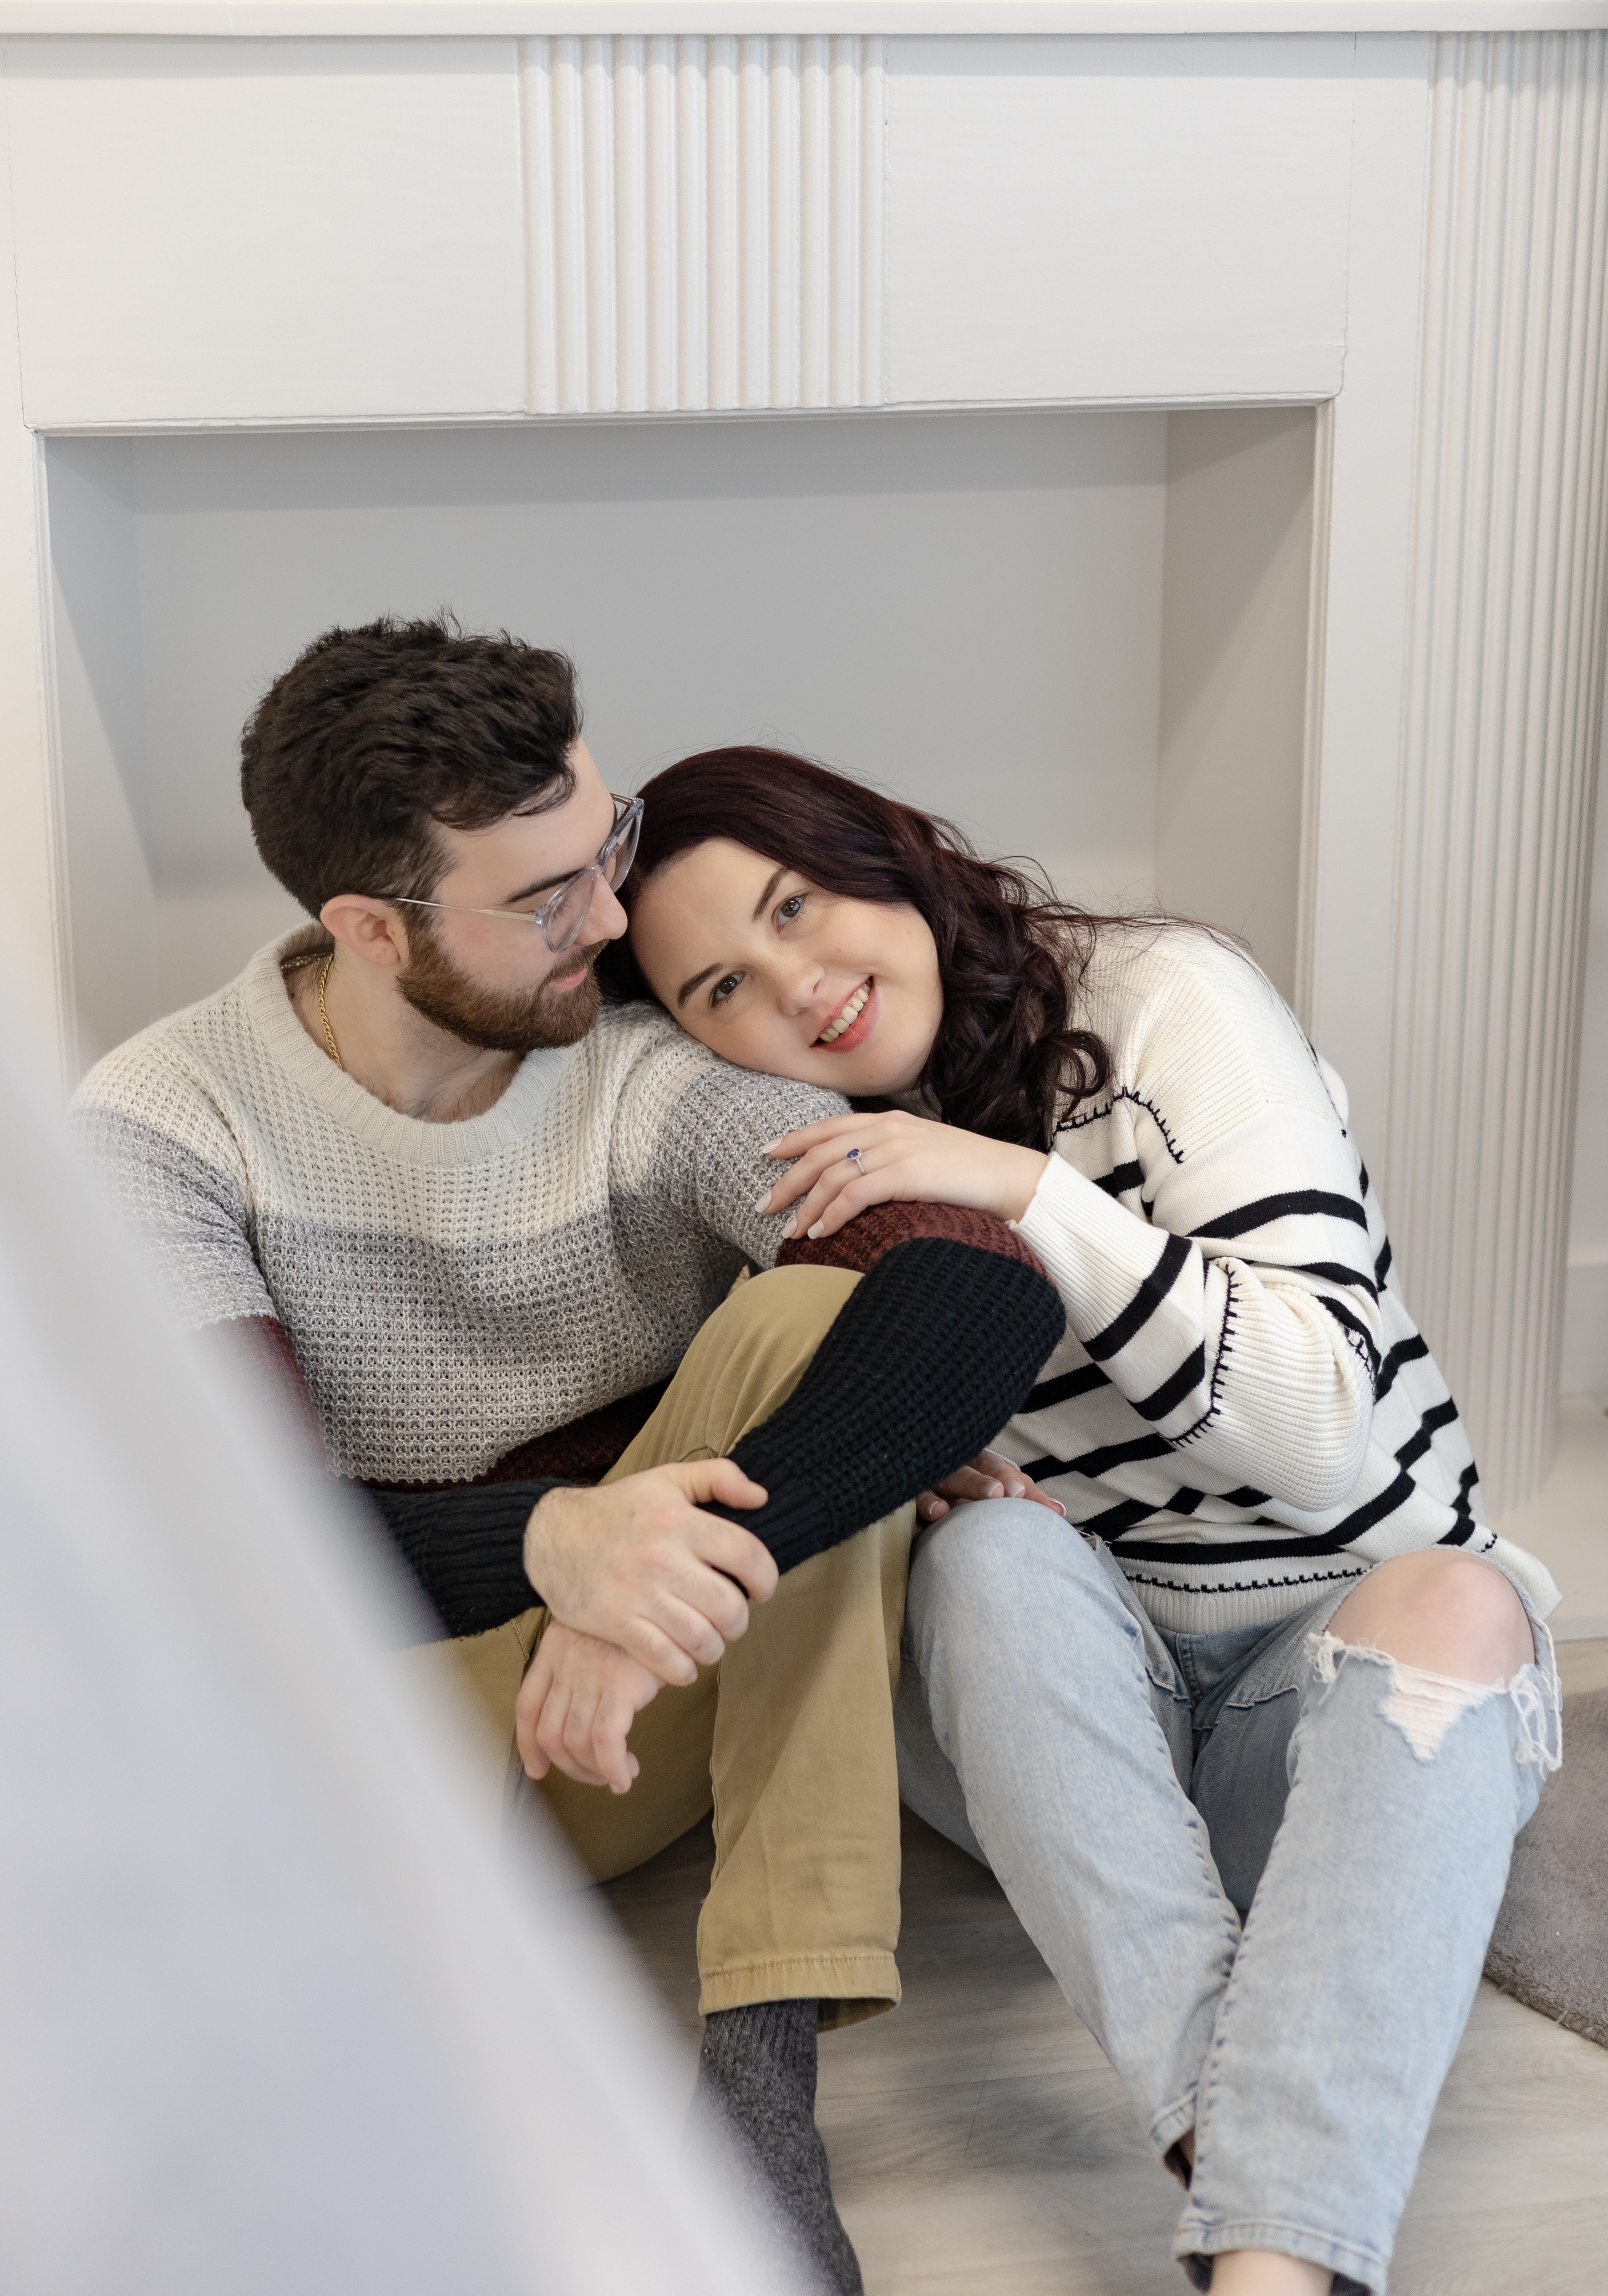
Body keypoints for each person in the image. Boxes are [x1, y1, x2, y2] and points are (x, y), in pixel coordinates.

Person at [71, 622, 1064, 2296]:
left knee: (815, 1323)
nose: (614, 920)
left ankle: (758, 2087)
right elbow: (226, 1552)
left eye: (599, 848)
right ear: (370, 928)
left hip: (617, 1706)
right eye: (545, 899)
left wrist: (669, 1565)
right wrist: (557, 1544)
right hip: (353, 1757)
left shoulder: (645, 1081)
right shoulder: (164, 1124)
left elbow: (979, 1277)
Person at [604, 742, 1563, 2296]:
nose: (800, 983)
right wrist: (903, 1461)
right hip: (1062, 1734)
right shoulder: (783, 1160)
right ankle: (1270, 2180)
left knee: (1459, 1600)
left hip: (1329, 1699)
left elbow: (1325, 1429)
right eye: (722, 987)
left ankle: (1267, 2261)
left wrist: (1026, 1194)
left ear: (887, 851)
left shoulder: (1164, 1000)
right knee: (978, 1556)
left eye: (799, 903)